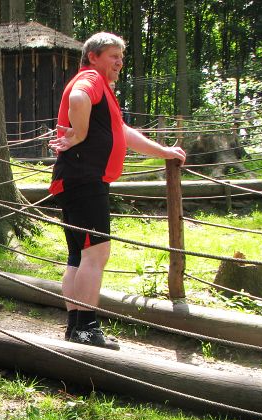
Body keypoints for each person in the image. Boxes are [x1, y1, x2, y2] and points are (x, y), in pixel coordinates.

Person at [49, 32, 186, 350]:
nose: (120, 63)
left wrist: (165, 151)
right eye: (114, 55)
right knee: (96, 254)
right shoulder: (90, 79)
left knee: (79, 256)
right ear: (93, 56)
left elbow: (123, 133)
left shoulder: (104, 94)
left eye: (121, 57)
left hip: (75, 179)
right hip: (85, 179)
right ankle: (86, 330)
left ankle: (76, 329)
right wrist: (80, 133)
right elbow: (78, 97)